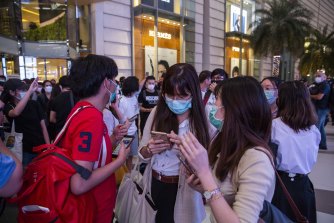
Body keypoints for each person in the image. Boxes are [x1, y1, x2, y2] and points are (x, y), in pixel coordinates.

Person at [179, 76, 275, 223]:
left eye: (217, 99)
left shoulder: (256, 159)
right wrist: (201, 185)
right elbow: (223, 196)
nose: (213, 105)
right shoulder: (223, 141)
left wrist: (205, 173)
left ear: (235, 109)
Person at [60, 54, 130, 223]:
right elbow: (79, 184)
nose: (115, 85)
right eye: (113, 80)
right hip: (91, 209)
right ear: (106, 83)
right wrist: (119, 162)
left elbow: (89, 155)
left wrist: (113, 137)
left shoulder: (82, 109)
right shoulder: (91, 118)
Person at [138, 63, 210, 223]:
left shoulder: (201, 120)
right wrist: (149, 150)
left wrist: (188, 150)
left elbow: (208, 166)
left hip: (185, 190)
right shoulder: (158, 112)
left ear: (193, 93)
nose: (175, 101)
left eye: (182, 96)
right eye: (170, 95)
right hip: (154, 184)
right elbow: (141, 153)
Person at [271, 81, 320, 222]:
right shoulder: (313, 129)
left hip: (280, 187)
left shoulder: (274, 126)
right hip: (304, 186)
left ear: (283, 100)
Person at [3, 78, 50, 166]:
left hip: (40, 146)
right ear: (11, 92)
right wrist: (29, 92)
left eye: (25, 89)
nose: (24, 91)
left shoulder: (34, 104)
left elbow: (43, 127)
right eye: (21, 90)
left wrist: (48, 147)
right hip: (23, 150)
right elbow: (16, 113)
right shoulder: (9, 106)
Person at [118, 76, 140, 170]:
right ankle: (123, 174)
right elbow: (121, 119)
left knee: (131, 155)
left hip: (133, 131)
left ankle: (129, 174)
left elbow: (136, 112)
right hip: (125, 133)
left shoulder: (134, 98)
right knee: (123, 156)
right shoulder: (122, 101)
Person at [309, 71, 330, 150]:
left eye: (319, 75)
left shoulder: (325, 85)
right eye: (316, 75)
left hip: (322, 108)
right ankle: (323, 144)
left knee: (316, 126)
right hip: (318, 107)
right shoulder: (318, 85)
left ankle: (315, 144)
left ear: (324, 77)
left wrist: (309, 95)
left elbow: (319, 97)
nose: (317, 77)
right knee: (320, 127)